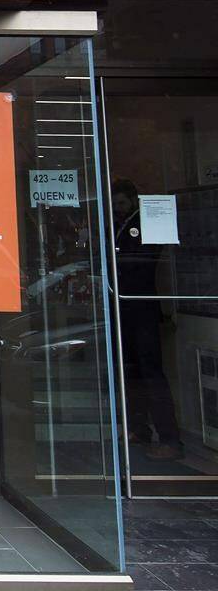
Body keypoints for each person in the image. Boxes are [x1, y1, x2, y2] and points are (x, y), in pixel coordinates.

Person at [112, 178, 181, 461]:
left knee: (151, 373)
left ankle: (170, 439)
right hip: (125, 308)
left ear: (133, 199)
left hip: (141, 308)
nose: (117, 208)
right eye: (114, 204)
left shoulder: (145, 223)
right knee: (131, 370)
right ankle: (138, 428)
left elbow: (144, 263)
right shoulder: (119, 225)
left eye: (121, 203)